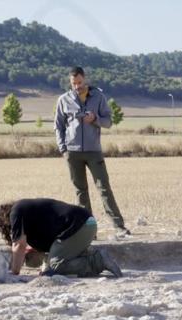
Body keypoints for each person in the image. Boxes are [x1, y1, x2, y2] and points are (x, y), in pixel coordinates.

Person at [54, 66, 130, 240]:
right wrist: (63, 148)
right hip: (72, 153)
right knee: (81, 192)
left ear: (85, 79)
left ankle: (119, 226)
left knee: (104, 188)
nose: (77, 86)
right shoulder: (63, 100)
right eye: (74, 83)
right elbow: (58, 126)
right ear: (70, 82)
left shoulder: (98, 97)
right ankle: (88, 231)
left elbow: (109, 121)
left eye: (80, 82)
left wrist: (94, 119)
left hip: (94, 151)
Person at [0, 198, 121, 278]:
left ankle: (98, 261)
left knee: (56, 268)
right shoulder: (26, 210)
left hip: (80, 226)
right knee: (42, 264)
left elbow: (19, 245)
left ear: (3, 219)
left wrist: (14, 273)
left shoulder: (16, 212)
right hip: (87, 223)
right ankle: (87, 252)